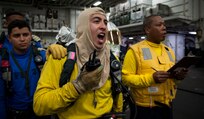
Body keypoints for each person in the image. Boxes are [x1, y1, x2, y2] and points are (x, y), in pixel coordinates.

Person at [33, 7, 123, 119]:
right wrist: (78, 86)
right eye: (96, 21)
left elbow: (117, 95)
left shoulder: (112, 60)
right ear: (83, 26)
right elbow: (39, 105)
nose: (103, 26)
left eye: (105, 22)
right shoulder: (60, 58)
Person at [0, 12, 67, 119]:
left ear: (31, 36)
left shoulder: (42, 56)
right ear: (9, 38)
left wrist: (58, 49)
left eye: (25, 35)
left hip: (41, 112)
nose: (22, 39)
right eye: (17, 35)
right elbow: (1, 96)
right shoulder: (3, 61)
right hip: (15, 114)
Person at [122, 15, 188, 119]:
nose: (164, 27)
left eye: (164, 25)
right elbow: (125, 79)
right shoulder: (135, 51)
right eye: (159, 25)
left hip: (167, 105)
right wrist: (151, 78)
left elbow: (172, 80)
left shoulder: (169, 51)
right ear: (147, 29)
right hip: (145, 109)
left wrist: (178, 77)